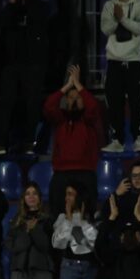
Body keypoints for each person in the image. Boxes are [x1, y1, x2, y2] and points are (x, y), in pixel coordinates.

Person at [0, 0, 51, 155]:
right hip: (12, 64)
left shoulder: (41, 7)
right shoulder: (10, 8)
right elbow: (4, 26)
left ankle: (29, 141)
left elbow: (39, 23)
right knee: (7, 104)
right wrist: (12, 4)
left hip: (34, 64)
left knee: (32, 104)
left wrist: (27, 1)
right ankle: (1, 142)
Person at [100, 0, 140, 152]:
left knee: (137, 103)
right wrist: (116, 18)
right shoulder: (109, 6)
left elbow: (139, 28)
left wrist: (122, 18)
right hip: (114, 61)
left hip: (134, 60)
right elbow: (106, 29)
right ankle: (117, 140)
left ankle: (138, 138)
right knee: (114, 103)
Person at [43, 65, 102, 215]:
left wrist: (78, 85)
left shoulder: (89, 120)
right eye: (70, 98)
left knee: (87, 212)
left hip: (85, 172)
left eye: (78, 98)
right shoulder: (60, 119)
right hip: (61, 173)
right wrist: (67, 86)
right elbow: (49, 105)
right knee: (57, 212)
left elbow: (93, 105)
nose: (74, 100)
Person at [7, 184, 57, 279]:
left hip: (42, 272)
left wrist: (34, 230)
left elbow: (46, 246)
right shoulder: (16, 221)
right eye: (27, 193)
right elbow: (13, 247)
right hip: (19, 273)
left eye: (35, 193)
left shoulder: (48, 220)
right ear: (23, 198)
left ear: (40, 198)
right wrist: (29, 231)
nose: (31, 196)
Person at [51, 183, 100, 279]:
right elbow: (57, 243)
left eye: (71, 194)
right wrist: (68, 220)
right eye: (66, 194)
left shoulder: (94, 217)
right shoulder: (62, 218)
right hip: (69, 267)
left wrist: (79, 221)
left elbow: (93, 242)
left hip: (89, 268)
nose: (67, 198)